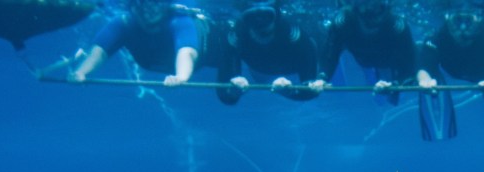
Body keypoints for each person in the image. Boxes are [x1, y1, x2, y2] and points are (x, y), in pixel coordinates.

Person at [70, 0, 204, 86]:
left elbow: (187, 52)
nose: (149, 11)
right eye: (142, 4)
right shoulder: (124, 23)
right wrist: (81, 72)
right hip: (156, 63)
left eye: (156, 3)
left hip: (204, 54)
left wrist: (181, 77)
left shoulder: (179, 20)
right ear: (132, 6)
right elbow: (98, 52)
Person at [309, 0, 416, 105]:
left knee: (389, 97)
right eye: (366, 5)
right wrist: (322, 78)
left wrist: (394, 84)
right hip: (363, 59)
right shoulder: (343, 22)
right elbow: (330, 54)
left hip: (384, 61)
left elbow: (409, 68)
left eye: (376, 6)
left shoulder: (397, 26)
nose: (372, 11)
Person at [217, 0, 319, 104]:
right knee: (259, 78)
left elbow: (311, 87)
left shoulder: (294, 33)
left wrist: (289, 92)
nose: (260, 23)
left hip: (268, 67)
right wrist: (233, 91)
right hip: (259, 70)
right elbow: (224, 93)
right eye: (252, 18)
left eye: (266, 16)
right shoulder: (237, 36)